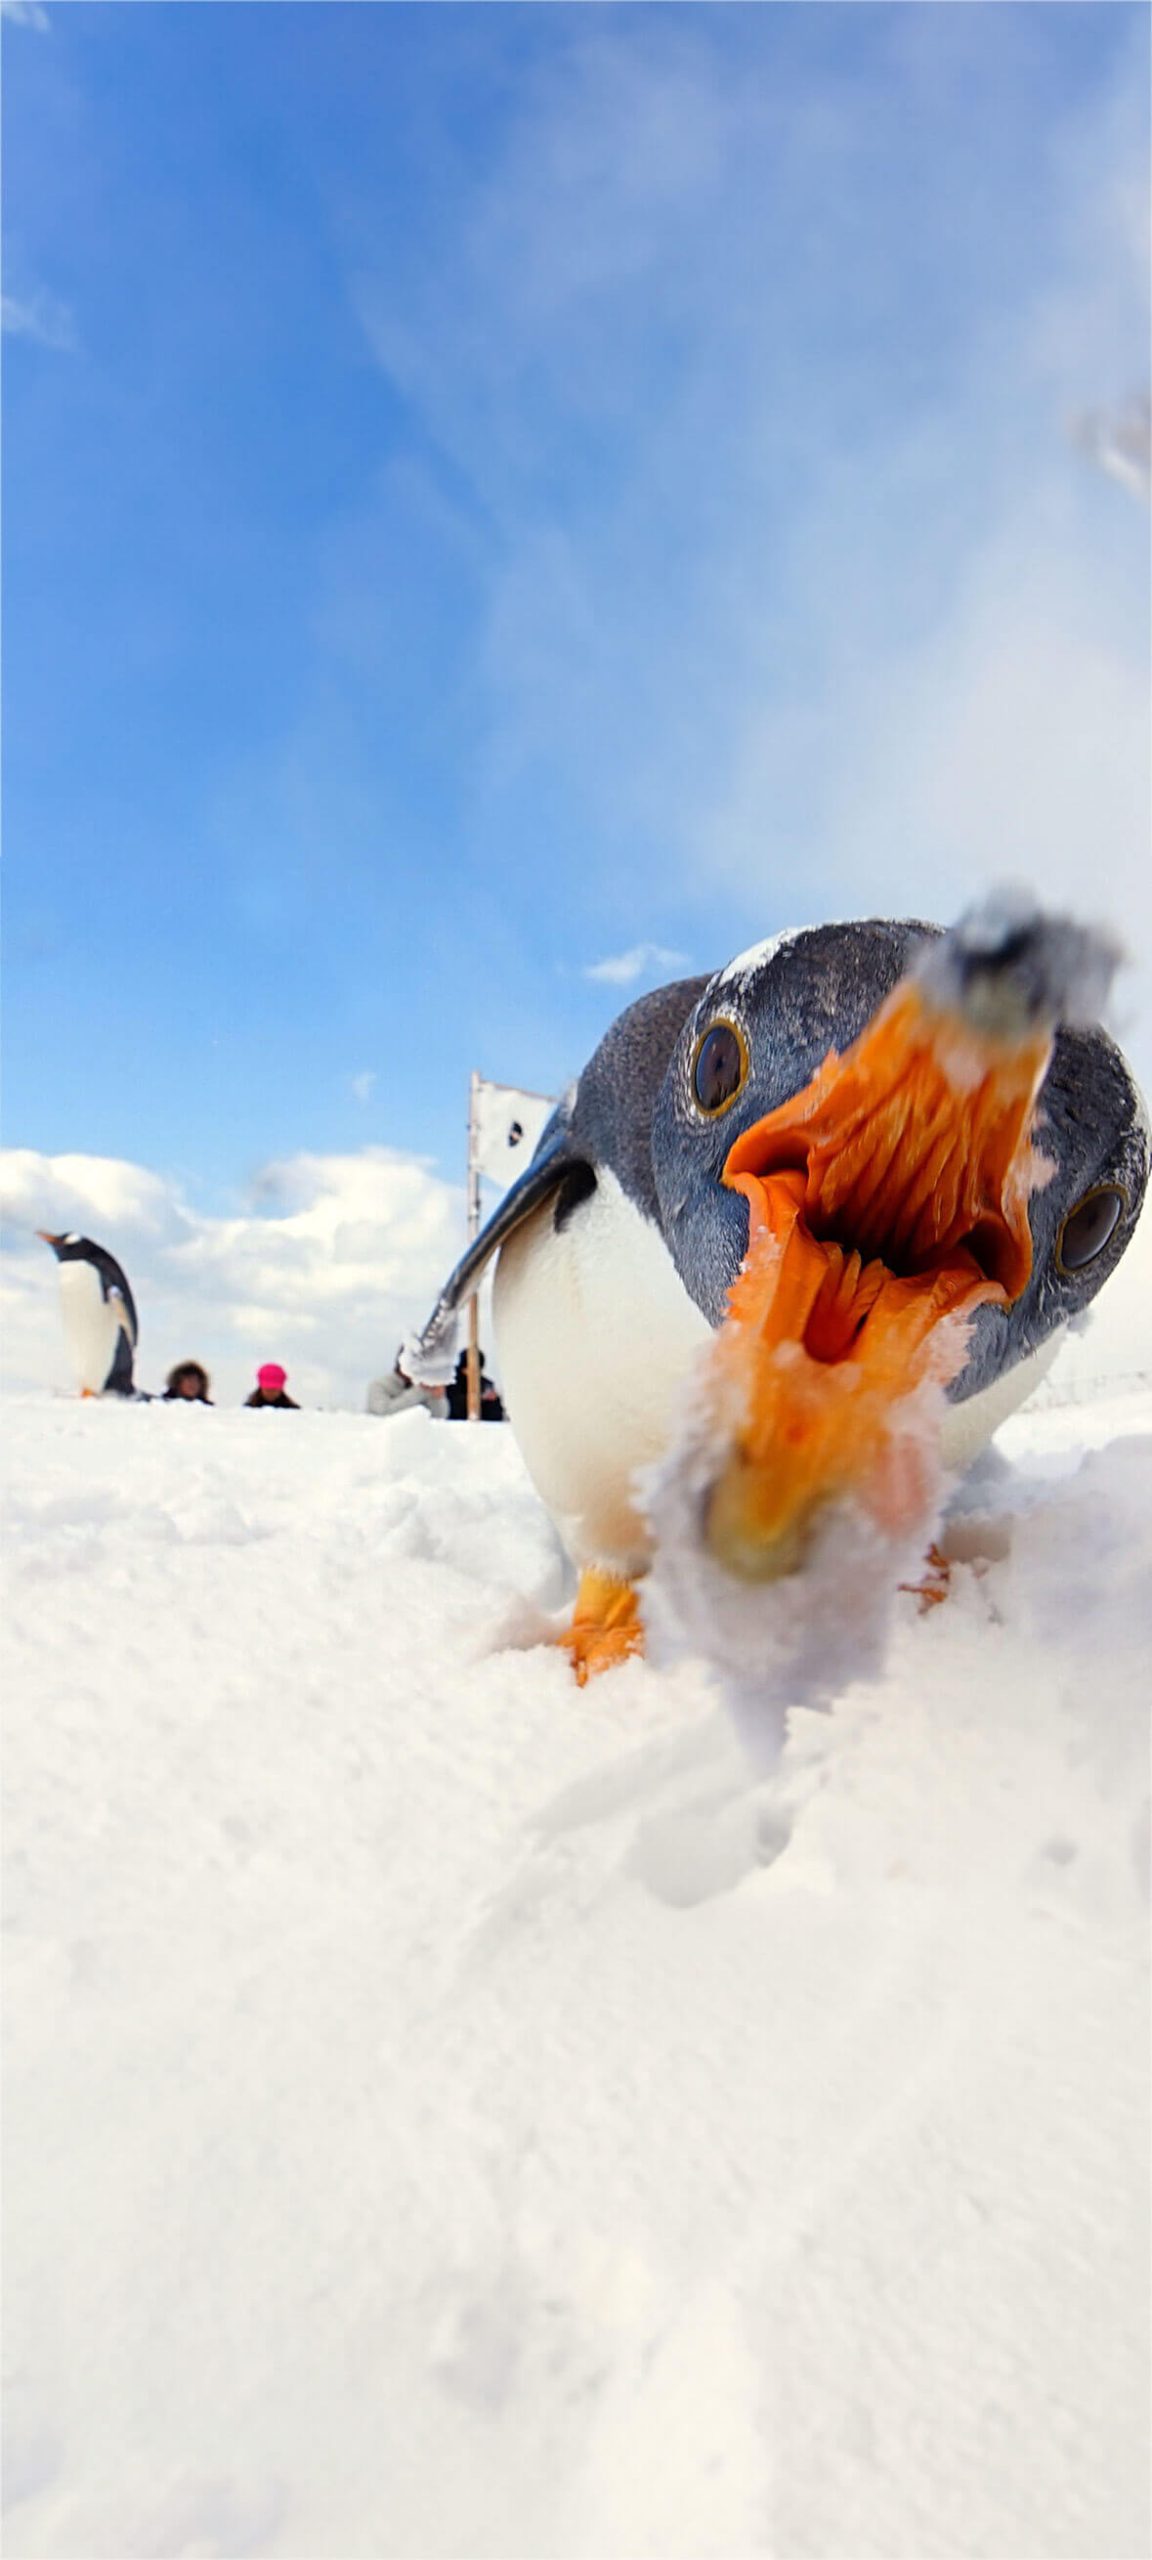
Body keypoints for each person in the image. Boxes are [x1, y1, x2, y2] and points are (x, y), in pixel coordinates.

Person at [366, 1354, 447, 1420]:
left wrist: (437, 1398)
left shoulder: (425, 1388)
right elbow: (383, 1414)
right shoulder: (379, 1385)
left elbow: (439, 1419)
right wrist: (419, 1391)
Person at [445, 1348, 504, 1422]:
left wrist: (490, 1398)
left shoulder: (485, 1384)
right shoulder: (451, 1382)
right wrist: (479, 1398)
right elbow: (455, 1406)